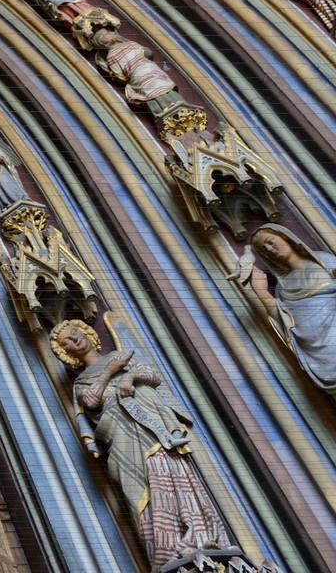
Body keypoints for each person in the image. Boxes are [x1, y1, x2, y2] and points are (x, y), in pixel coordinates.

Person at [49, 320, 228, 570]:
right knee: (142, 490)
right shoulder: (82, 382)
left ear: (87, 332)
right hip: (122, 440)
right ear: (66, 353)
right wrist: (110, 372)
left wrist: (130, 376)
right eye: (67, 342)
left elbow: (153, 376)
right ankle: (167, 553)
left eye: (75, 333)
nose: (75, 340)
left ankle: (200, 538)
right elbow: (90, 402)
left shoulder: (121, 356)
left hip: (155, 432)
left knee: (174, 474)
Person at [241, 224, 336, 389]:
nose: (270, 249)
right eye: (264, 250)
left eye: (271, 242)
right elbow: (285, 321)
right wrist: (262, 292)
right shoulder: (282, 288)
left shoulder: (324, 261)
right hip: (318, 352)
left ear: (286, 237)